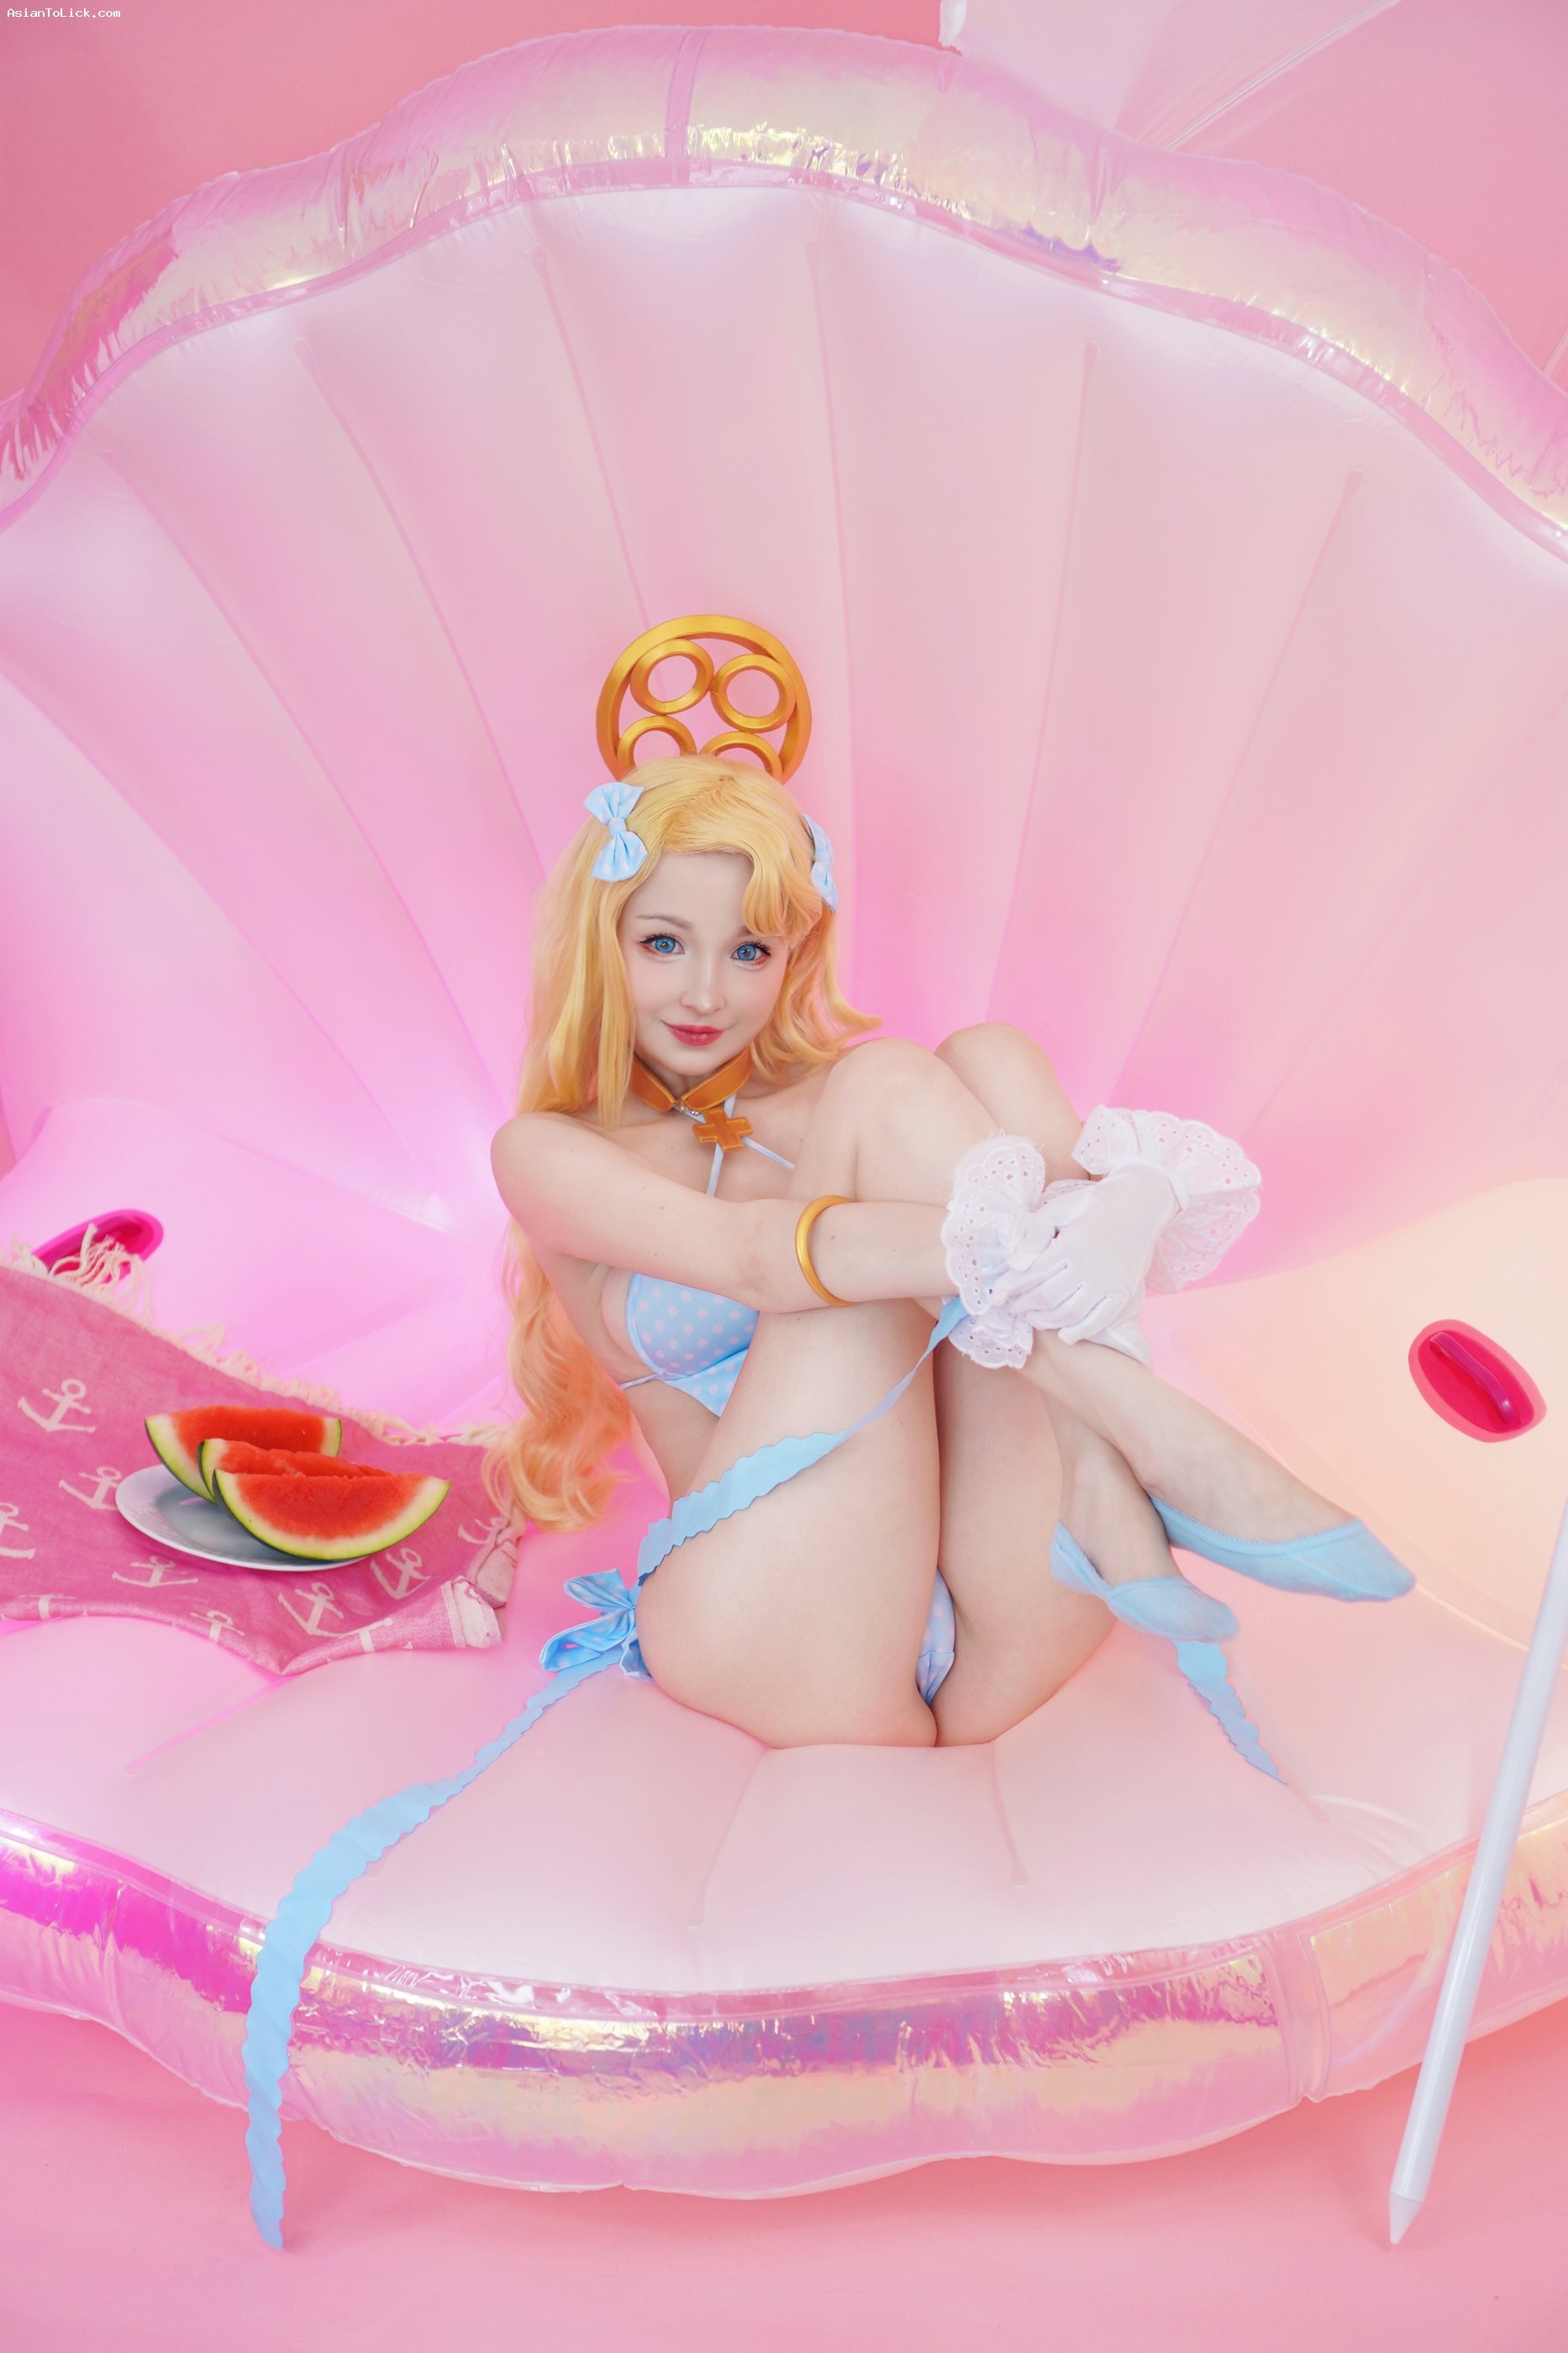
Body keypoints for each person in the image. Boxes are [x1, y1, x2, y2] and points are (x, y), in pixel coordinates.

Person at [487, 754, 1412, 1757]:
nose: (705, 990)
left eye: (749, 950)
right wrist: (1031, 1239)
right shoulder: (549, 1153)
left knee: (990, 1055)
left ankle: (1097, 1472)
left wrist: (1126, 1205)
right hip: (775, 1615)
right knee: (886, 1087)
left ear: (793, 956)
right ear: (603, 940)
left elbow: (1035, 1194)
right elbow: (755, 1258)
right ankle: (1140, 1427)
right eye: (664, 943)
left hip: (1005, 1599)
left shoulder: (839, 1103)